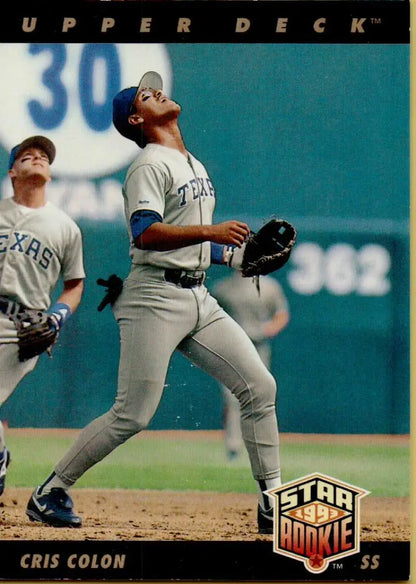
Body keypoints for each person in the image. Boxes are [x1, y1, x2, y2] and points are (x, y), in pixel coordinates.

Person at [26, 72, 281, 534]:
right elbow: (146, 232)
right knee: (132, 414)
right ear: (137, 118)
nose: (158, 91)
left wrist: (240, 257)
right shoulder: (148, 163)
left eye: (155, 87)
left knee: (259, 387)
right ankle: (50, 491)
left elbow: (197, 248)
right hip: (153, 298)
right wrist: (211, 231)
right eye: (147, 94)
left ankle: (271, 504)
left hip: (198, 295)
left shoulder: (194, 164)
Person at [0, 135, 85, 496]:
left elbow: (74, 284)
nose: (37, 159)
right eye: (27, 156)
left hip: (22, 326)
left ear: (49, 174)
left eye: (44, 157)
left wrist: (57, 318)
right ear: (13, 171)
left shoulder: (65, 227)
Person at [212, 271, 289, 460]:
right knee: (231, 397)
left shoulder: (269, 286)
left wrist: (268, 329)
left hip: (258, 345)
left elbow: (281, 314)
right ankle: (233, 446)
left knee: (260, 394)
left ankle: (261, 446)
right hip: (231, 346)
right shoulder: (223, 288)